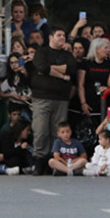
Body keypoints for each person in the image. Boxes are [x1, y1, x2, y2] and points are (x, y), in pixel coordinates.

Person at [30, 28, 77, 174]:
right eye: (59, 35)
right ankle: (39, 159)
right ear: (51, 37)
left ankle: (55, 161)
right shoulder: (41, 52)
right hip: (42, 97)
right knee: (40, 130)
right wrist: (62, 75)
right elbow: (42, 67)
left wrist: (51, 69)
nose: (62, 37)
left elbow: (72, 69)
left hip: (61, 98)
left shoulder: (67, 55)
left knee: (58, 131)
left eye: (64, 35)